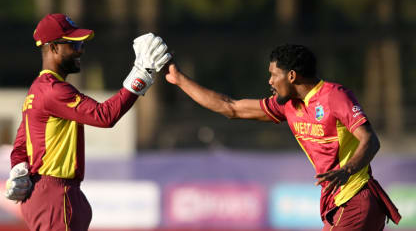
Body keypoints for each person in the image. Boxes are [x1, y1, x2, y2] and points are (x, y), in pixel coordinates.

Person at [165, 44, 401, 230]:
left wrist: (348, 169)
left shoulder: (334, 96)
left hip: (355, 198)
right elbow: (231, 107)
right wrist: (179, 79)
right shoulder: (288, 105)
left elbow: (370, 140)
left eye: (273, 75)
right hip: (339, 203)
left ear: (291, 76)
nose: (269, 82)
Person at [4, 13, 171, 231]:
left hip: (52, 194)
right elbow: (104, 116)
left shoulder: (38, 89)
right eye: (73, 44)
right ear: (53, 48)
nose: (80, 49)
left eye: (80, 43)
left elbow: (20, 144)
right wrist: (142, 74)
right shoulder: (54, 90)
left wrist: (18, 167)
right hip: (56, 195)